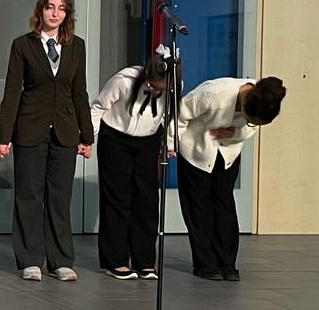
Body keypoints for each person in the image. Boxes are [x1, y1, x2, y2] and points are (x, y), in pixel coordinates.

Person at [0, 0, 94, 282]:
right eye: (50, 7)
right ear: (41, 11)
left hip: (65, 131)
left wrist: (87, 136)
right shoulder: (22, 45)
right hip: (30, 129)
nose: (55, 13)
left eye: (61, 8)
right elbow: (13, 92)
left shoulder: (77, 46)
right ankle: (30, 260)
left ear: (67, 14)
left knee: (60, 198)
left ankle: (61, 261)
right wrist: (2, 136)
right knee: (29, 196)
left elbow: (80, 92)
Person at [175, 75, 287, 282]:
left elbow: (251, 128)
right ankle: (206, 264)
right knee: (198, 208)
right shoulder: (213, 94)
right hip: (195, 150)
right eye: (248, 118)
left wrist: (236, 133)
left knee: (224, 205)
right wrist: (169, 144)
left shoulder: (264, 99)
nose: (250, 123)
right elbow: (180, 115)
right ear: (245, 104)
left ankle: (227, 264)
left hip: (228, 153)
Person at [90, 54, 171, 280]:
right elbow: (98, 107)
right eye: (152, 86)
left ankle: (144, 261)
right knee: (117, 197)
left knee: (147, 200)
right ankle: (115, 260)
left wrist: (170, 142)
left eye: (160, 89)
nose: (155, 91)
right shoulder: (124, 80)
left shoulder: (174, 86)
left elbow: (171, 115)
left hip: (148, 140)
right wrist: (87, 139)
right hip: (116, 137)